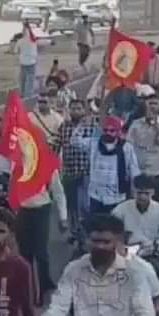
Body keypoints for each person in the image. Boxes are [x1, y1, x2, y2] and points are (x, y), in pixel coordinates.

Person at [15, 170, 68, 299]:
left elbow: (58, 192)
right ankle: (27, 287)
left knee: (41, 253)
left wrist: (63, 217)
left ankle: (43, 285)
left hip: (41, 210)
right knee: (24, 253)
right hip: (22, 211)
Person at [54, 98, 97, 246]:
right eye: (73, 108)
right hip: (69, 171)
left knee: (84, 205)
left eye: (79, 108)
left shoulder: (91, 126)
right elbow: (56, 146)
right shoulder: (64, 126)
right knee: (71, 205)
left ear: (84, 110)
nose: (76, 111)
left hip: (86, 172)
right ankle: (75, 233)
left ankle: (86, 233)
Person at [84, 115, 140, 215]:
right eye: (105, 130)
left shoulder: (127, 147)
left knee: (116, 223)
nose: (108, 133)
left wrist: (135, 192)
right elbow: (74, 141)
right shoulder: (94, 144)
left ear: (118, 132)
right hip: (96, 195)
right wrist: (82, 125)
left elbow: (134, 170)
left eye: (112, 130)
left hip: (117, 196)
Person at [125, 93, 159, 199]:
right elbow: (128, 144)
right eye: (150, 103)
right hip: (139, 168)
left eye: (155, 103)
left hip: (157, 169)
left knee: (156, 199)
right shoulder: (136, 123)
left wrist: (154, 124)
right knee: (138, 197)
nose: (152, 107)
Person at [112, 176, 159, 252]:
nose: (142, 197)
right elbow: (111, 233)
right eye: (139, 193)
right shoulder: (121, 209)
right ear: (133, 191)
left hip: (154, 252)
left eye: (146, 193)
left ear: (153, 192)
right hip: (127, 252)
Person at [17, 25, 39, 99]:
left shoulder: (20, 41)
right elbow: (44, 42)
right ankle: (28, 96)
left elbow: (16, 51)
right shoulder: (34, 40)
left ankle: (22, 94)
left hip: (23, 63)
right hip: (31, 63)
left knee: (22, 79)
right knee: (30, 81)